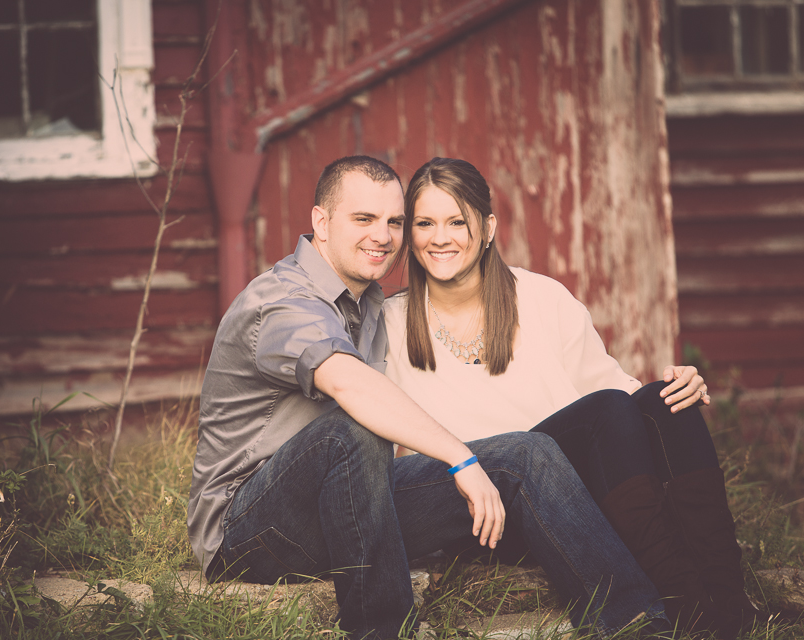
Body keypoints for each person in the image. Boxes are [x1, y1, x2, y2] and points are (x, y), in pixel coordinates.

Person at [188, 155, 670, 640]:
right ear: (321, 221)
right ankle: (386, 631)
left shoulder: (368, 304)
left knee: (527, 452)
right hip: (249, 529)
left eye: (394, 222)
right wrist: (460, 459)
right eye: (363, 219)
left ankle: (634, 623)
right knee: (355, 426)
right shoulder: (281, 300)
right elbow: (348, 384)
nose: (382, 235)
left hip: (342, 503)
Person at [384, 156, 766, 639]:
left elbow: (618, 395)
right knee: (608, 410)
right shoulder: (390, 325)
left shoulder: (542, 298)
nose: (440, 237)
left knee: (663, 401)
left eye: (457, 220)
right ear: (410, 233)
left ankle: (728, 607)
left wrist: (681, 386)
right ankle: (682, 605)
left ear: (488, 228)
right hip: (490, 509)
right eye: (425, 223)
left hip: (581, 495)